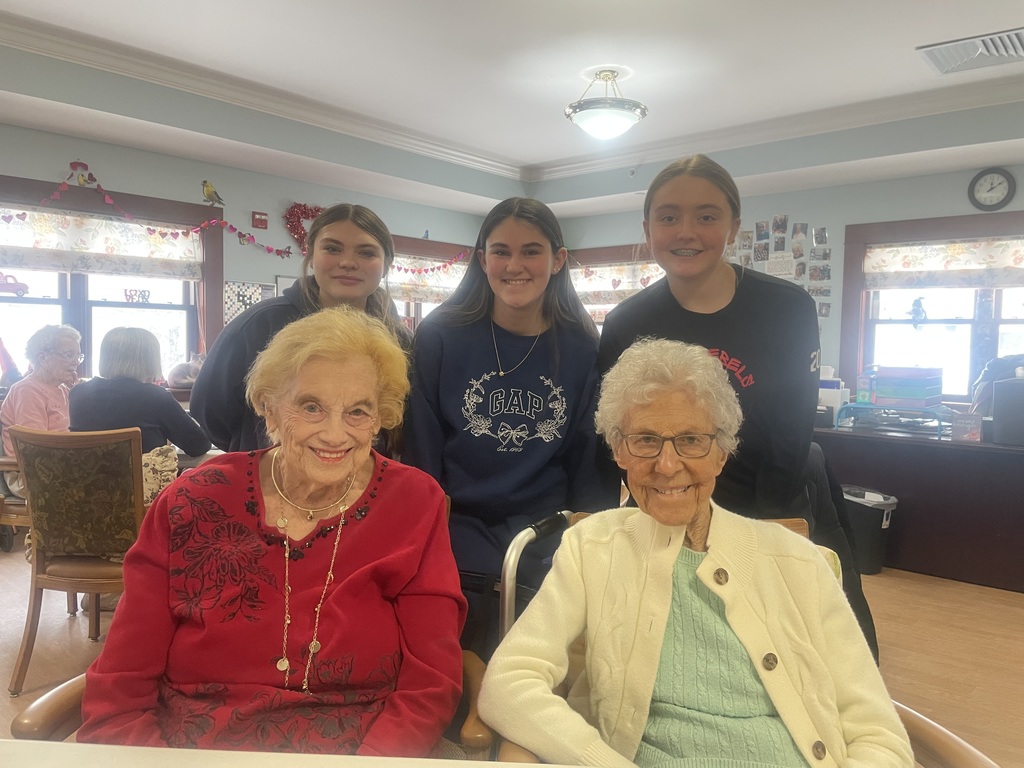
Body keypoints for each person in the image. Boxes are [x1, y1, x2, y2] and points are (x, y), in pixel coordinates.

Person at [479, 339, 913, 768]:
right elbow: (508, 683)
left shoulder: (797, 561)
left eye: (691, 440)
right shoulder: (592, 547)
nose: (667, 465)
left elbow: (878, 734)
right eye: (645, 440)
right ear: (618, 451)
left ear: (722, 453)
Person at [78, 307, 466, 755]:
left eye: (358, 411)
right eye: (311, 406)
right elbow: (122, 682)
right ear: (269, 406)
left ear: (382, 416)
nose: (335, 434)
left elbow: (430, 683)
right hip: (193, 747)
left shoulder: (414, 502)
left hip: (360, 746)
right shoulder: (194, 499)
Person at [596, 155, 878, 656]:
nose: (687, 231)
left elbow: (791, 434)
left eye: (707, 215)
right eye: (668, 216)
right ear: (647, 228)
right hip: (669, 510)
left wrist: (755, 536)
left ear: (734, 226)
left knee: (800, 653)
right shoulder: (624, 323)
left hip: (772, 503)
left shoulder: (786, 308)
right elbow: (622, 437)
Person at [402, 197, 620, 653]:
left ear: (557, 261)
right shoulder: (440, 335)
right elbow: (422, 447)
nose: (514, 265)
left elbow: (586, 455)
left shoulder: (581, 346)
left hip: (546, 531)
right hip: (456, 527)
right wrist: (425, 533)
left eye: (531, 251)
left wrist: (592, 539)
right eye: (501, 251)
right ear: (483, 260)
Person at [191, 203, 410, 453]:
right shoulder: (258, 326)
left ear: (386, 265)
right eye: (332, 248)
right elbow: (211, 411)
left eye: (366, 253)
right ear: (311, 256)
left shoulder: (400, 340)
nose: (348, 262)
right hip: (270, 481)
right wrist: (257, 449)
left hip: (365, 484)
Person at [70, 327, 211, 458]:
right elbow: (199, 446)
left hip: (84, 484)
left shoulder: (78, 394)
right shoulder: (156, 397)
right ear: (150, 361)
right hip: (145, 484)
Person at [1, 324, 81, 498]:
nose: (75, 361)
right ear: (43, 358)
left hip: (60, 465)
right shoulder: (27, 390)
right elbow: (35, 447)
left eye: (78, 356)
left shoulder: (62, 388)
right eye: (69, 355)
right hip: (30, 475)